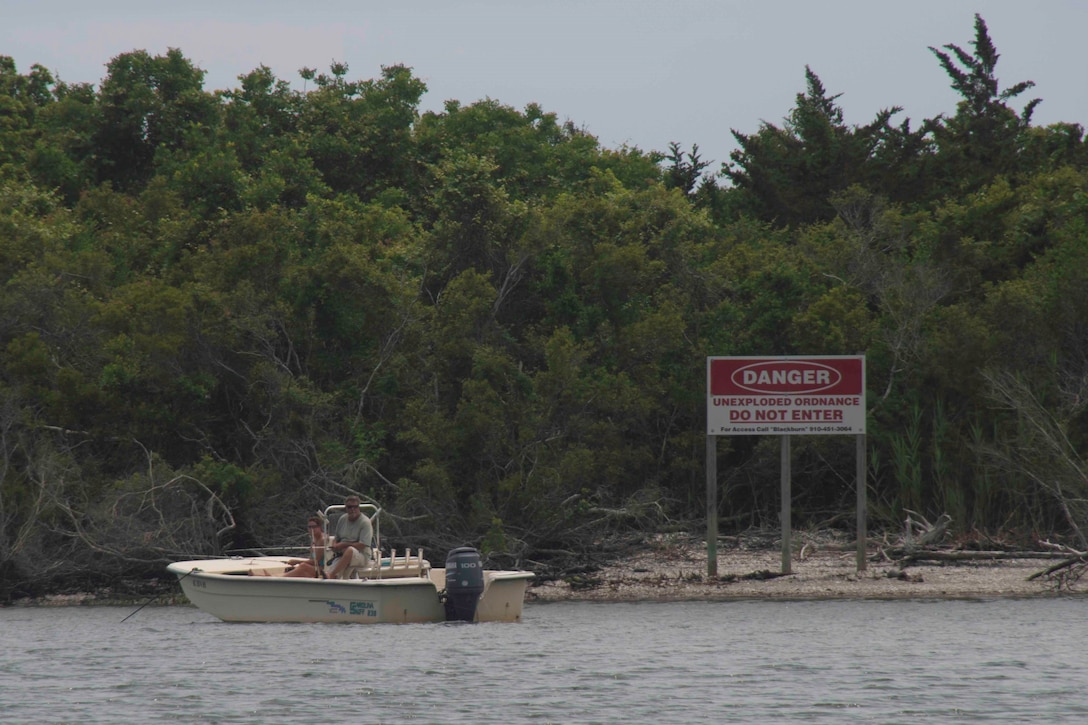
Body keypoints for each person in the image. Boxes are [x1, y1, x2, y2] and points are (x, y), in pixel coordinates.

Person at [253, 516, 327, 577]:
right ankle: (272, 576)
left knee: (303, 566)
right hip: (314, 568)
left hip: (321, 570)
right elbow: (311, 558)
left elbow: (315, 562)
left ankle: (274, 577)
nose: (311, 529)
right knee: (297, 568)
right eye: (309, 527)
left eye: (314, 527)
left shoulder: (322, 540)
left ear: (320, 527)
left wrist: (297, 561)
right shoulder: (314, 540)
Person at [324, 495, 374, 579]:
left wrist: (343, 545)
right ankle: (330, 578)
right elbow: (337, 538)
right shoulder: (342, 519)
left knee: (349, 550)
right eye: (350, 507)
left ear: (359, 507)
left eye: (355, 507)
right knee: (343, 555)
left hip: (362, 555)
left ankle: (332, 575)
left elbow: (362, 545)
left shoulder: (365, 522)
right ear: (346, 508)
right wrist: (335, 546)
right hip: (342, 554)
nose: (352, 509)